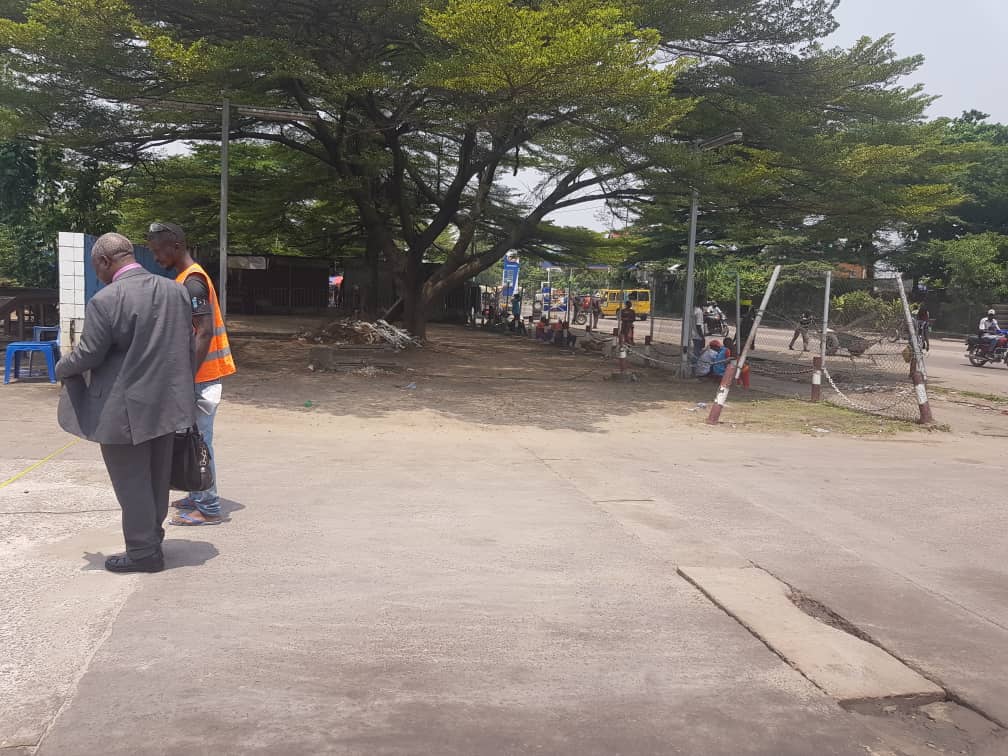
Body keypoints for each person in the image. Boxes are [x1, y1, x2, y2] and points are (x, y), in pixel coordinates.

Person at [56, 233, 196, 573]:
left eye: (97, 268)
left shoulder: (106, 301)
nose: (98, 275)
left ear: (105, 262)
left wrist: (61, 367)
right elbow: (186, 345)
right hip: (166, 404)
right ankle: (152, 539)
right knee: (156, 479)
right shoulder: (175, 291)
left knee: (132, 484)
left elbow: (90, 354)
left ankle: (143, 553)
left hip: (124, 412)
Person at [147, 222, 237, 527]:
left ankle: (209, 507)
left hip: (203, 375)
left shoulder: (193, 282)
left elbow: (204, 332)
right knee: (189, 436)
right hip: (198, 375)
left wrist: (186, 376)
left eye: (158, 251)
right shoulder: (186, 278)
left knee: (199, 440)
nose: (156, 258)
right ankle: (197, 492)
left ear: (175, 246)